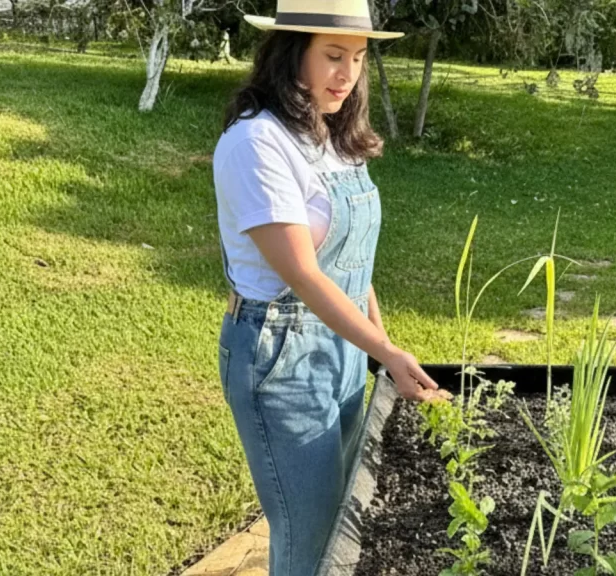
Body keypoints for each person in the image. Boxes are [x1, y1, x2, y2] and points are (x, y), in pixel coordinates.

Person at [212, 1, 445, 574]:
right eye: (333, 56)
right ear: (292, 55)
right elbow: (305, 274)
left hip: (342, 348)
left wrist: (379, 347)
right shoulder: (257, 144)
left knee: (342, 519)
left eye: (359, 59)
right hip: (281, 359)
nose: (347, 74)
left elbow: (353, 264)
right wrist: (385, 351)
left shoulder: (333, 137)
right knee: (310, 534)